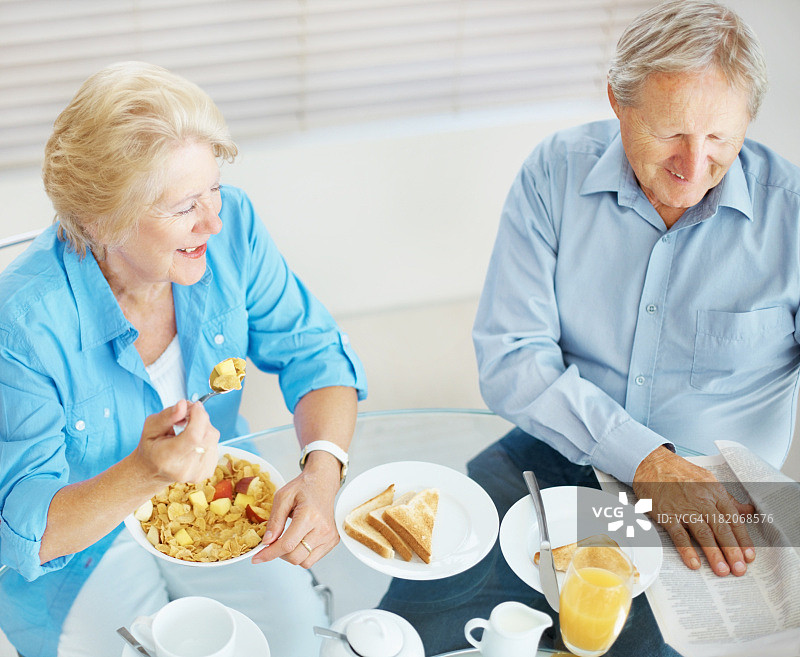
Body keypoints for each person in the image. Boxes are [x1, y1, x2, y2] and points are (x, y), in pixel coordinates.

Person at [380, 1, 800, 654]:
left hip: (710, 505)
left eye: (719, 138)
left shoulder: (792, 216)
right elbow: (511, 357)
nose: (693, 166)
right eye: (671, 135)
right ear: (618, 102)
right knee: (407, 629)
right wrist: (644, 460)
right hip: (558, 453)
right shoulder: (555, 172)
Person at [0, 61, 367, 657]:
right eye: (184, 206)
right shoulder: (22, 324)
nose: (214, 221)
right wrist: (145, 473)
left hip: (216, 502)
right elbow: (26, 529)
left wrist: (323, 471)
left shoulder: (233, 229)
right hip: (78, 558)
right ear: (102, 221)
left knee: (293, 641)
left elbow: (316, 353)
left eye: (214, 189)